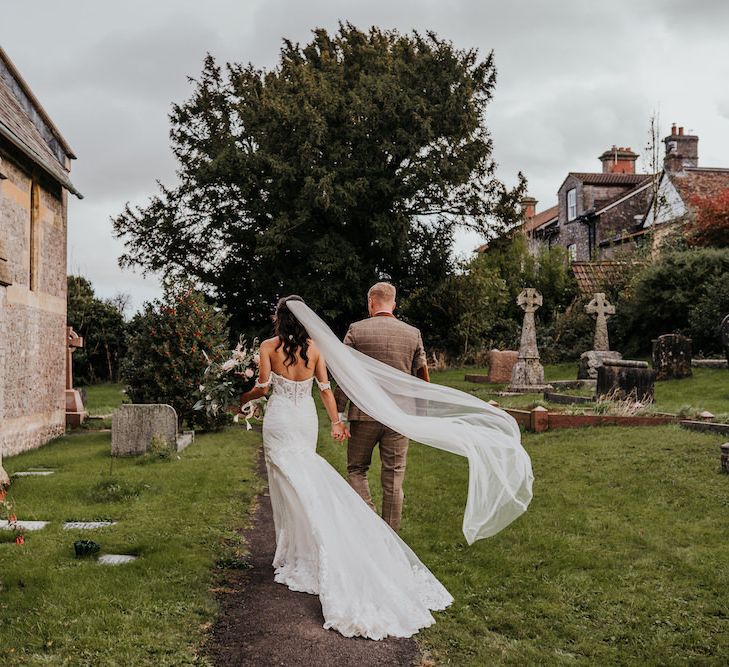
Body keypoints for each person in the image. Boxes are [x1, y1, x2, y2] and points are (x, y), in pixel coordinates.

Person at [238, 295, 453, 640]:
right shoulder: (316, 348)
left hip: (280, 421)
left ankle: (298, 550)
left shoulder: (267, 346)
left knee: (287, 484)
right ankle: (296, 549)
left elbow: (263, 388)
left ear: (279, 318)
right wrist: (336, 421)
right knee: (305, 479)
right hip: (304, 419)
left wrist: (240, 398)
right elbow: (324, 388)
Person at [334, 282, 428, 532]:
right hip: (399, 417)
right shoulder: (412, 333)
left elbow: (344, 375)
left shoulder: (357, 330)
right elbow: (421, 377)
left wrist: (339, 414)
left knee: (356, 469)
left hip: (363, 415)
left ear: (371, 303)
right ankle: (391, 537)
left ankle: (371, 522)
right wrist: (420, 413)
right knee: (394, 478)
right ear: (394, 304)